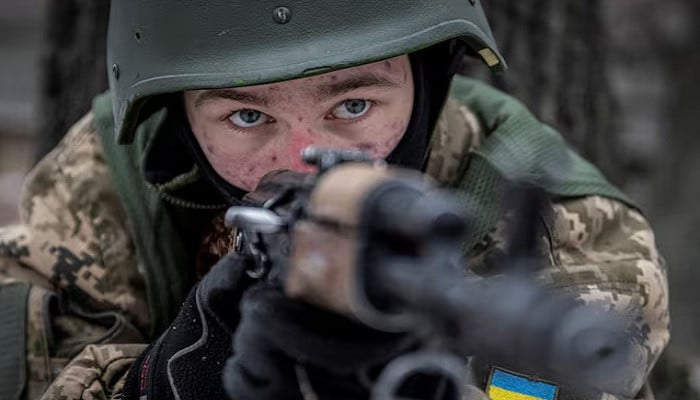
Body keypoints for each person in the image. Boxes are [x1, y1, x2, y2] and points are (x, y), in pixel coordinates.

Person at [0, 1, 669, 399]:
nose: (305, 158)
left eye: (352, 105)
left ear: (429, 82)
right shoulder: (106, 180)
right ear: (178, 115)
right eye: (246, 117)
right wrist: (174, 378)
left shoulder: (572, 231)